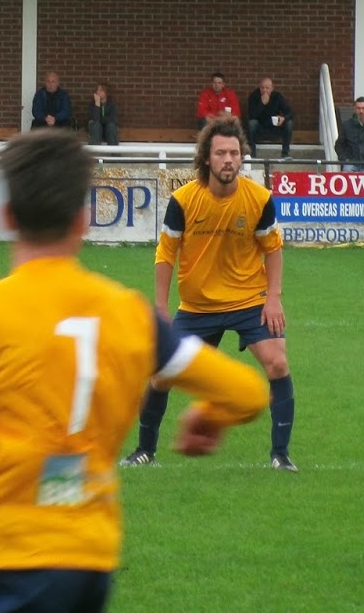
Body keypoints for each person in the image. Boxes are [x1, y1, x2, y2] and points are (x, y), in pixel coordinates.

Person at [0, 130, 268, 610]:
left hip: (8, 557)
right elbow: (248, 392)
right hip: (90, 559)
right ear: (82, 220)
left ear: (8, 218)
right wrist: (210, 415)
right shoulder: (130, 314)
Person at [122, 115, 298, 472]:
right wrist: (160, 307)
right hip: (198, 306)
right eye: (221, 153)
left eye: (234, 153)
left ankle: (280, 456)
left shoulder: (259, 198)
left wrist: (273, 297)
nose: (229, 160)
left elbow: (273, 249)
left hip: (249, 300)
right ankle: (144, 451)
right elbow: (166, 254)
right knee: (161, 374)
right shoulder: (184, 200)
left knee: (278, 363)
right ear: (206, 158)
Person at [246, 77, 295, 160]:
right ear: (259, 87)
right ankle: (252, 154)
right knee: (252, 123)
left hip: (274, 127)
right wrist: (262, 104)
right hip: (260, 128)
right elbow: (252, 116)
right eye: (262, 88)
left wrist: (283, 118)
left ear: (272, 88)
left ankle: (285, 153)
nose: (265, 90)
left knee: (289, 123)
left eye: (267, 88)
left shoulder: (277, 96)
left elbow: (290, 112)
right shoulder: (254, 96)